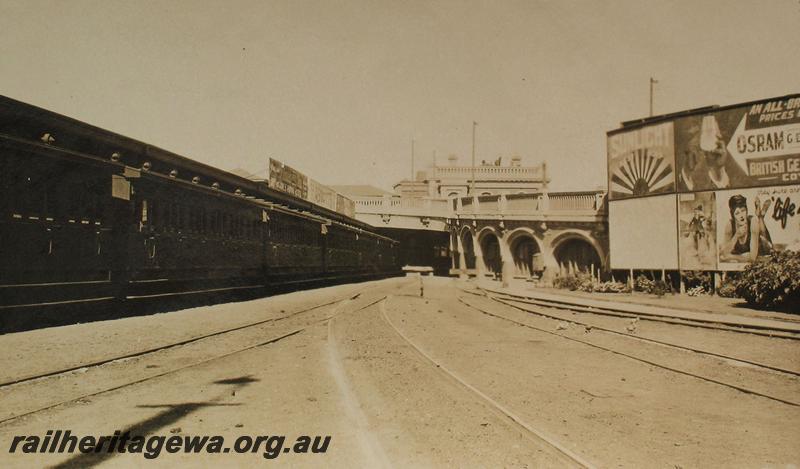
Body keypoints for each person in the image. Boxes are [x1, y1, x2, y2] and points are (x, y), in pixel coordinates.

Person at [719, 194, 773, 262]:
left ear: (747, 211)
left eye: (743, 210)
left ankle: (760, 216)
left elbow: (752, 258)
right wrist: (736, 236)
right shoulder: (729, 225)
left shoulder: (753, 222)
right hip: (745, 253)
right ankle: (760, 216)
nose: (741, 215)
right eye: (737, 213)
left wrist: (731, 257)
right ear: (733, 215)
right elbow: (723, 254)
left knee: (770, 247)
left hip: (763, 248)